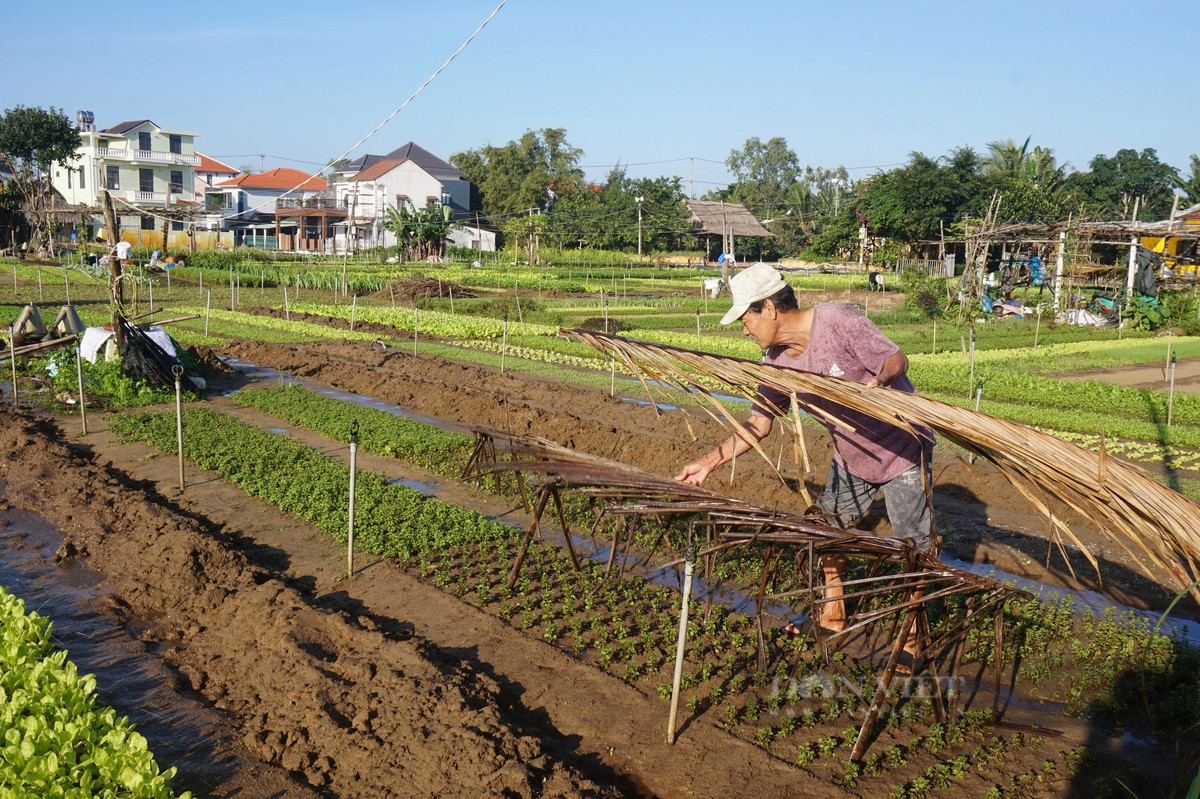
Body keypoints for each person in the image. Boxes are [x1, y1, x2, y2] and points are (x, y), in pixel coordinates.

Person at [675, 262, 935, 656]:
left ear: (769, 309)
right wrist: (707, 463)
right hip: (851, 458)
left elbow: (895, 358)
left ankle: (914, 637)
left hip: (902, 450)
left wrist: (878, 382)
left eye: (746, 319)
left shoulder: (836, 320)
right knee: (826, 532)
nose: (744, 330)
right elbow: (758, 424)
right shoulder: (776, 364)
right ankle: (833, 615)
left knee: (911, 548)